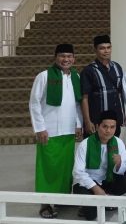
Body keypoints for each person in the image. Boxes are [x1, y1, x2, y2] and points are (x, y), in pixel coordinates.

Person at [29, 43, 83, 219]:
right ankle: (45, 203)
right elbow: (34, 103)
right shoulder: (44, 76)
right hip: (49, 131)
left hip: (68, 131)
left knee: (65, 168)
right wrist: (40, 128)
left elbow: (77, 104)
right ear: (55, 57)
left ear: (74, 59)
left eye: (69, 56)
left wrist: (78, 124)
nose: (66, 59)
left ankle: (61, 198)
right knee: (48, 168)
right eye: (62, 56)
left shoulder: (75, 76)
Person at [72, 110, 126, 221]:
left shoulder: (118, 143)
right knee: (91, 215)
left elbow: (123, 168)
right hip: (88, 184)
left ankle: (103, 199)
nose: (108, 131)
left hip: (107, 181)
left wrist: (119, 164)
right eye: (105, 126)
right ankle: (102, 201)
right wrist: (96, 189)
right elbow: (78, 172)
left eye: (112, 127)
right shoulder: (85, 144)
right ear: (97, 126)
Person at [80, 35, 124, 138]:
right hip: (96, 120)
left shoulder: (117, 67)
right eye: (102, 48)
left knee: (113, 149)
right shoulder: (88, 71)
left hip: (114, 119)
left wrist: (122, 115)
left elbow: (119, 93)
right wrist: (87, 121)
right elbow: (84, 98)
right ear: (95, 50)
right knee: (95, 151)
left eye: (108, 47)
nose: (106, 51)